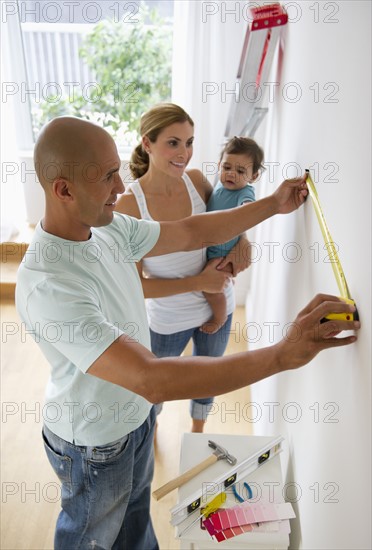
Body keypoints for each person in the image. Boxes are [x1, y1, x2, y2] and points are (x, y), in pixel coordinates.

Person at [15, 115, 359, 550]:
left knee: (136, 520)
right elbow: (152, 377)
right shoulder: (50, 282)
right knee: (92, 539)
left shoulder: (105, 228)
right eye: (107, 177)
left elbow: (191, 231)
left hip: (133, 420)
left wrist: (271, 204)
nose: (120, 187)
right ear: (64, 189)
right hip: (94, 444)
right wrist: (281, 355)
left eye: (117, 170)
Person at [116, 103, 252, 433]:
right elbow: (138, 286)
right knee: (155, 390)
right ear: (147, 143)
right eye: (173, 142)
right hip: (167, 319)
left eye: (189, 142)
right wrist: (198, 281)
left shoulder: (196, 182)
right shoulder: (129, 205)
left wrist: (243, 240)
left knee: (209, 379)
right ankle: (150, 433)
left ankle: (197, 433)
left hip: (219, 308)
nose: (184, 153)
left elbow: (227, 221)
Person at [201, 135, 265, 334]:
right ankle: (228, 277)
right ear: (220, 165)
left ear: (253, 177)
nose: (231, 174)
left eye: (240, 171)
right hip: (210, 246)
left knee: (210, 288)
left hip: (221, 252)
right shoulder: (220, 185)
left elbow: (249, 208)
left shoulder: (244, 193)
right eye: (227, 167)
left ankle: (219, 318)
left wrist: (248, 208)